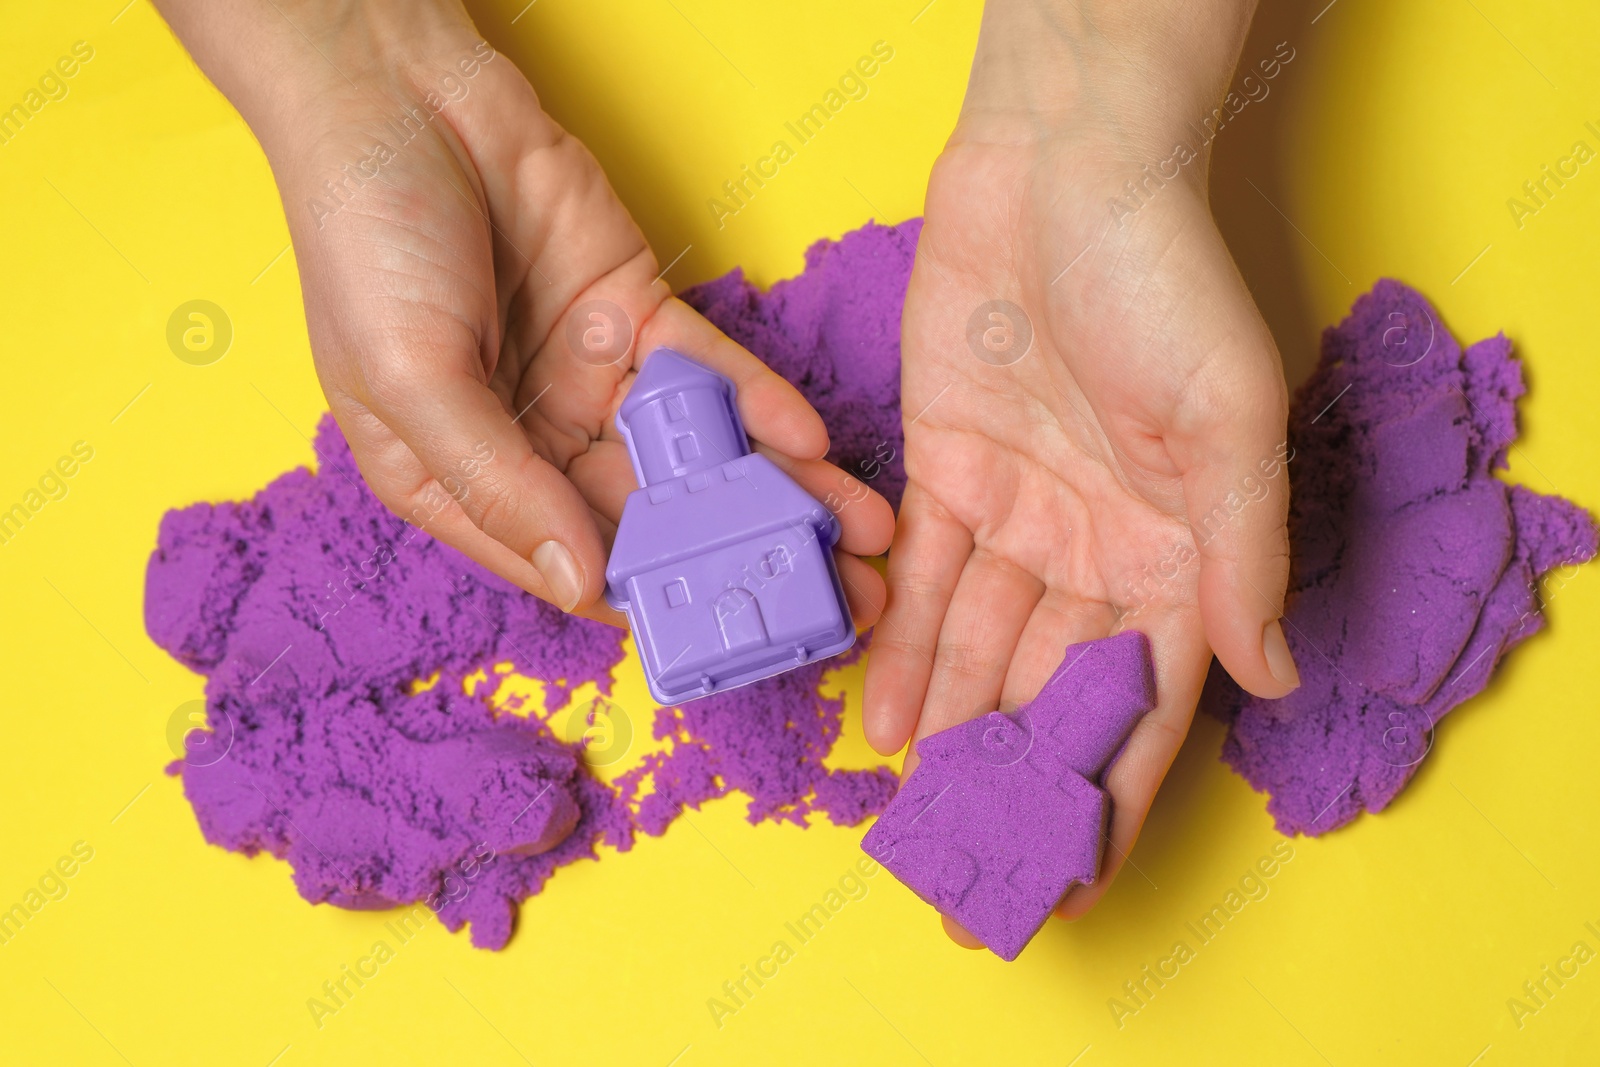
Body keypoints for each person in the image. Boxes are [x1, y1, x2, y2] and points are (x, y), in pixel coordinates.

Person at [155, 0, 1299, 948]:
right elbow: (669, 559)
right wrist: (354, 61)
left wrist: (1090, 89)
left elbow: (723, 544)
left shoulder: (736, 500)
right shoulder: (687, 508)